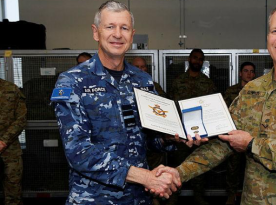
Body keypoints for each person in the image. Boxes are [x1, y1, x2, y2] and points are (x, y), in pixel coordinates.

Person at [156, 2, 276, 204]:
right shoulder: (252, 89)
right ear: (268, 38)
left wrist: (252, 144)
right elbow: (224, 143)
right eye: (275, 30)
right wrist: (178, 173)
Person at [51, 1, 183, 204]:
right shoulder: (72, 81)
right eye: (110, 27)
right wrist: (146, 177)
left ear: (132, 34)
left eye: (124, 28)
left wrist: (170, 138)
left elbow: (147, 139)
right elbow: (77, 151)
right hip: (94, 198)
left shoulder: (143, 81)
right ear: (96, 32)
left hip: (138, 197)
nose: (118, 34)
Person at [166, 48, 217, 205]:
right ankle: (173, 196)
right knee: (177, 164)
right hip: (181, 133)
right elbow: (171, 106)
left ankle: (199, 196)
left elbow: (212, 107)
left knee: (199, 164)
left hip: (200, 133)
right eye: (195, 58)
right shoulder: (178, 81)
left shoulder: (207, 83)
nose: (197, 61)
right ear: (189, 59)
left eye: (200, 59)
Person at [132, 56, 167, 205]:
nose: (141, 69)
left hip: (152, 136)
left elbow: (165, 107)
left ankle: (155, 198)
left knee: (154, 168)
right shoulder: (125, 86)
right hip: (133, 139)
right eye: (137, 67)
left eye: (143, 67)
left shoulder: (153, 86)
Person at [223, 61, 256, 205]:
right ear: (240, 73)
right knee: (233, 168)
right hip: (234, 136)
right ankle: (231, 195)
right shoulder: (231, 91)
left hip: (252, 137)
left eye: (251, 71)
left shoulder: (259, 91)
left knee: (252, 168)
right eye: (246, 71)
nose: (249, 74)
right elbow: (224, 111)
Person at [0, 78, 27, 205]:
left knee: (13, 190)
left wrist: (4, 141)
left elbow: (21, 119)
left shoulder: (11, 89)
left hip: (10, 149)